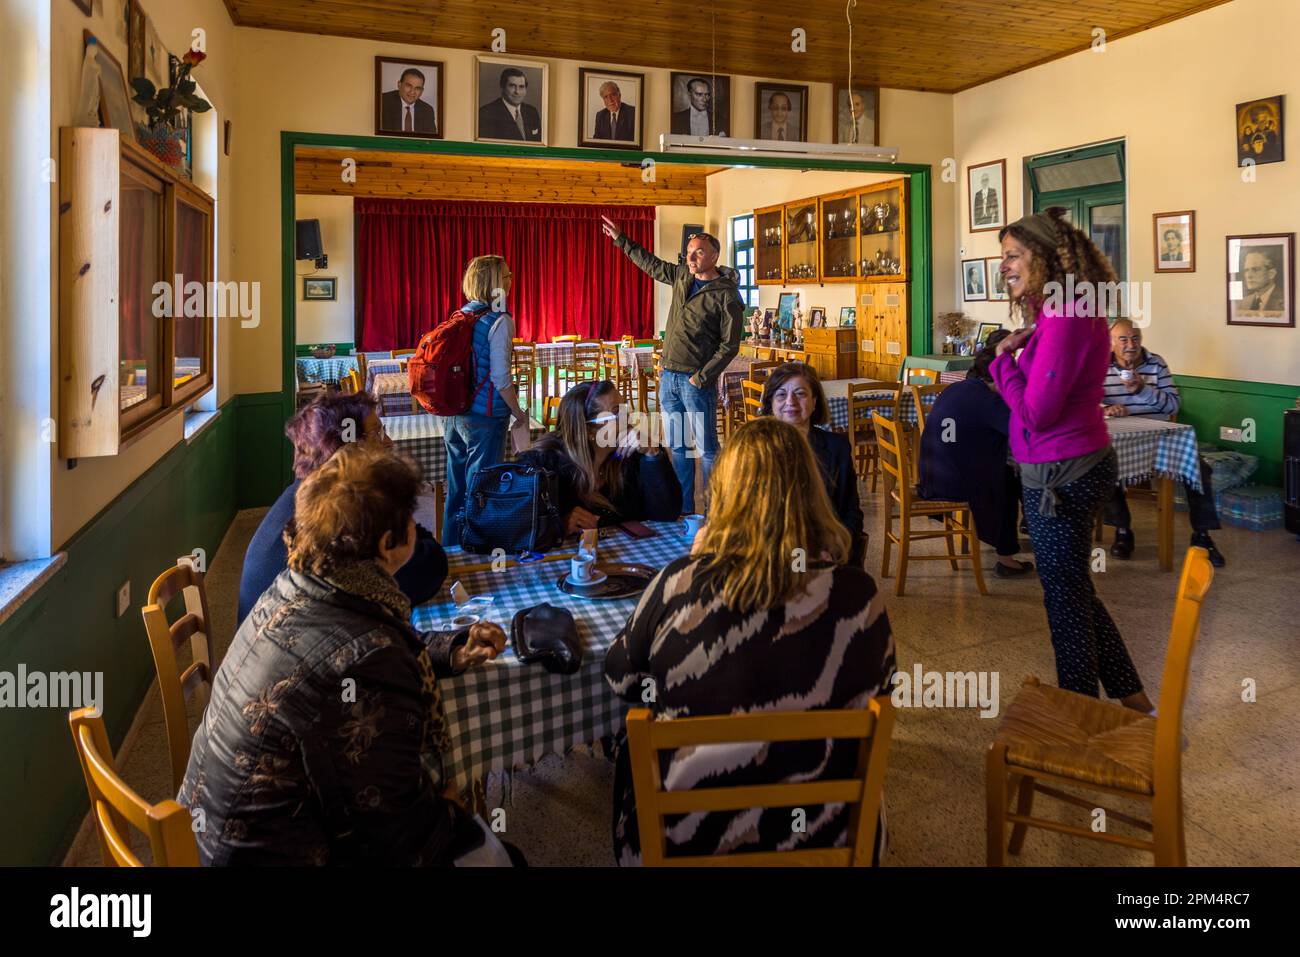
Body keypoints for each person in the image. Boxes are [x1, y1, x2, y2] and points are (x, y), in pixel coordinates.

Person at [182, 444, 520, 866]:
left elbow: (352, 651)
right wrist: (450, 811)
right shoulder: (370, 654)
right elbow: (397, 835)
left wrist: (449, 648)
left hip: (213, 841)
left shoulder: (297, 584)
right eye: (412, 520)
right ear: (389, 543)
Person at [604, 418, 896, 864]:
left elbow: (622, 680)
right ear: (812, 492)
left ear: (723, 494)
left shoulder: (678, 585)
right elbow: (884, 690)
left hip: (689, 836)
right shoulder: (860, 597)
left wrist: (699, 563)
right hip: (828, 832)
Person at [990, 207, 1154, 713]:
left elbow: (1037, 413)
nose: (1004, 267)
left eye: (1013, 256)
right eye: (1003, 258)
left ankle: (1078, 719)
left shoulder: (1066, 315)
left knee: (1064, 602)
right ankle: (1136, 703)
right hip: (1068, 466)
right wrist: (1021, 349)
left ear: (1043, 258)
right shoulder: (1061, 313)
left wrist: (1002, 363)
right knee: (1074, 591)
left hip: (1062, 473)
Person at [237, 392, 447, 626]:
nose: (388, 442)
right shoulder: (339, 514)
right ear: (346, 449)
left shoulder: (302, 494)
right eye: (377, 433)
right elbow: (426, 570)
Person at [599, 217, 744, 514]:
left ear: (714, 256)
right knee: (679, 447)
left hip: (694, 382)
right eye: (689, 251)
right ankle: (684, 508)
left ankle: (718, 512)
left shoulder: (726, 294)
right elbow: (649, 262)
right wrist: (620, 239)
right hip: (669, 379)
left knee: (706, 449)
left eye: (699, 252)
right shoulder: (681, 277)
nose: (691, 257)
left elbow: (729, 345)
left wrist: (702, 377)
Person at [1102, 319, 1225, 567]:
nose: (1130, 345)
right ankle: (1123, 530)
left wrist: (1143, 390)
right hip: (1119, 438)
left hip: (1159, 438)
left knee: (1200, 470)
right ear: (1111, 343)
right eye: (1123, 339)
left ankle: (1202, 537)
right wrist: (1106, 408)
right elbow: (1085, 403)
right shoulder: (1098, 366)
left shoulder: (1156, 363)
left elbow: (1173, 405)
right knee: (1101, 466)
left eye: (1135, 339)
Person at [916, 331, 1033, 578]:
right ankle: (1007, 555)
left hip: (931, 476)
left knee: (1006, 475)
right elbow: (1024, 431)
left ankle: (1009, 542)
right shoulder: (989, 401)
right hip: (951, 484)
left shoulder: (957, 388)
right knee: (1011, 480)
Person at [442, 255, 531, 547]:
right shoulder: (500, 321)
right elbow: (501, 378)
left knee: (456, 487)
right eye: (507, 276)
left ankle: (452, 548)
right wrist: (518, 413)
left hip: (454, 414)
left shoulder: (461, 315)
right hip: (485, 416)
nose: (511, 280)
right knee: (482, 487)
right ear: (495, 283)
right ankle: (477, 549)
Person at [513, 380, 680, 533]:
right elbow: (513, 528)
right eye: (616, 412)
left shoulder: (633, 456)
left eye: (625, 409)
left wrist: (652, 454)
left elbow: (667, 514)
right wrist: (557, 525)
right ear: (589, 431)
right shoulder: (543, 465)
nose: (628, 417)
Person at [759, 362, 866, 566]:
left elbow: (851, 512)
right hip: (770, 555)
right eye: (781, 395)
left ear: (814, 401)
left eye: (800, 394)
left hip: (822, 553)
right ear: (771, 402)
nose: (791, 402)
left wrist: (835, 548)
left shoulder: (837, 448)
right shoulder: (756, 449)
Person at [477, 67, 541, 141]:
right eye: (512, 86)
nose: (517, 92)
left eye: (521, 87)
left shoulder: (532, 112)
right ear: (502, 87)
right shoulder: (486, 114)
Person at [380, 67, 437, 134]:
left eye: (417, 88)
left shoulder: (427, 111)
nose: (412, 92)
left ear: (422, 91)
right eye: (408, 86)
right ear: (399, 85)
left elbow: (431, 139)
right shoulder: (383, 101)